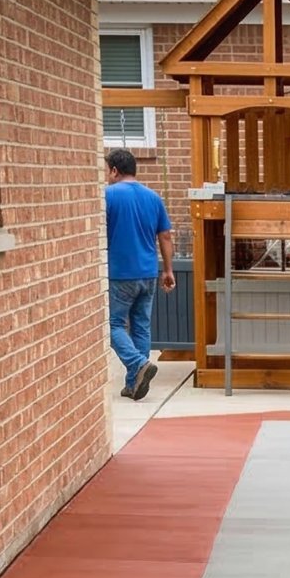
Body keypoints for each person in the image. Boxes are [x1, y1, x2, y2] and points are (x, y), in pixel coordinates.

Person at [104, 148, 175, 400]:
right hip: (148, 272)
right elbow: (165, 236)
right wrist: (167, 269)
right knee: (141, 327)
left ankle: (137, 364)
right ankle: (134, 384)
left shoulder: (107, 196)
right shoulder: (153, 197)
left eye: (107, 170)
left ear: (114, 170)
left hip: (120, 273)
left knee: (111, 325)